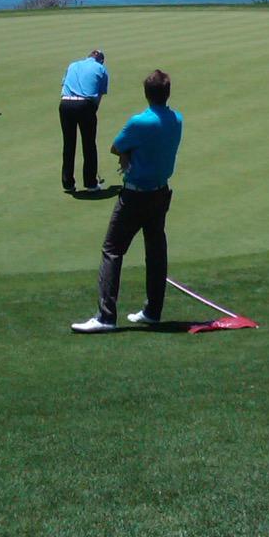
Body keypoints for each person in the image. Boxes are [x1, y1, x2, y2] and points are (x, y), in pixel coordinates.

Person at [71, 69, 183, 333]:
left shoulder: (139, 122)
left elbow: (116, 147)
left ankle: (106, 316)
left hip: (135, 195)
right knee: (155, 252)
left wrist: (126, 156)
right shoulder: (177, 119)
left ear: (146, 94)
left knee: (112, 250)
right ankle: (153, 311)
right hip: (160, 193)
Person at [59, 49, 109, 192]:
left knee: (68, 144)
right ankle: (91, 183)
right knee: (89, 144)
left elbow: (64, 85)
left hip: (65, 103)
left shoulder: (73, 65)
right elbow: (99, 96)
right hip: (85, 105)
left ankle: (68, 183)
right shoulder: (101, 69)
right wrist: (92, 111)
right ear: (101, 60)